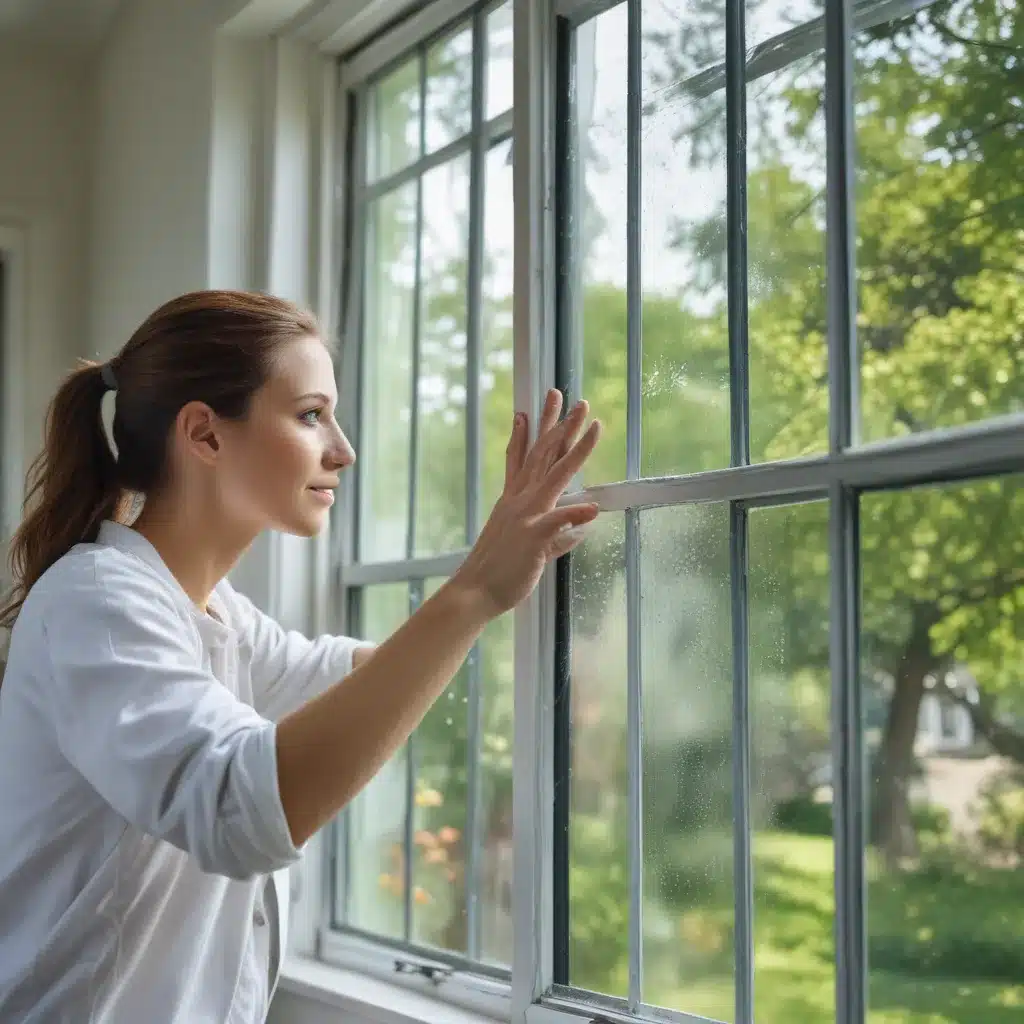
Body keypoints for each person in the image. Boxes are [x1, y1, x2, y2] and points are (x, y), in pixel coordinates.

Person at [0, 290, 601, 1023]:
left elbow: (361, 678)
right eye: (312, 414)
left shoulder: (216, 618)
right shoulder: (98, 605)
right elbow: (238, 811)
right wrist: (473, 589)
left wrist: (510, 574)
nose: (343, 449)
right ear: (206, 435)